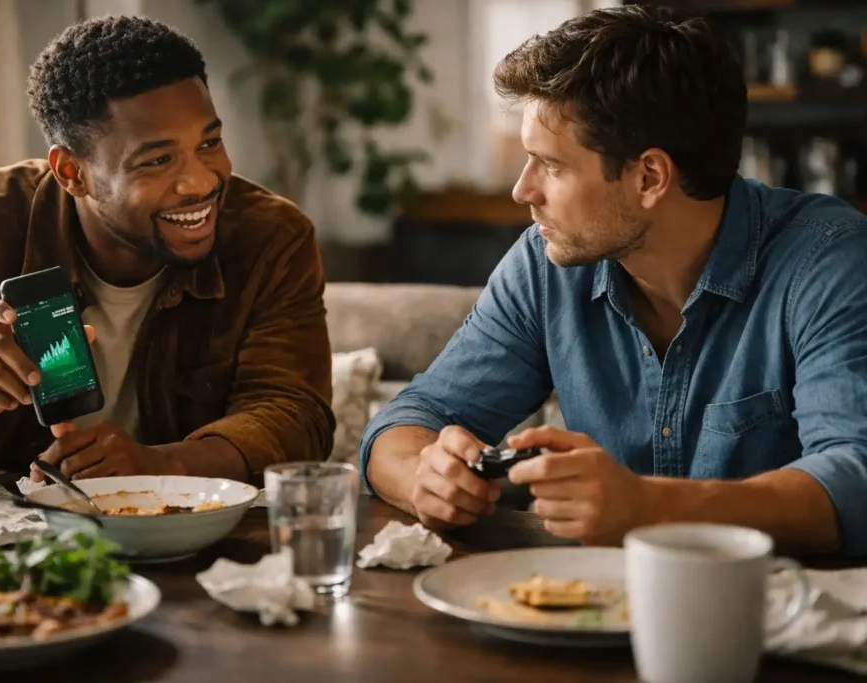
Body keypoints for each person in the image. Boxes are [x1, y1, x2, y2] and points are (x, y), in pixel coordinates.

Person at [360, 5, 867, 557]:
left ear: (649, 176)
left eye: (550, 165)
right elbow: (411, 420)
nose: (522, 191)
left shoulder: (828, 261)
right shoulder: (544, 264)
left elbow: (854, 481)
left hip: (775, 620)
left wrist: (648, 507)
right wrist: (423, 477)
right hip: (586, 611)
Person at [0, 15, 334, 484]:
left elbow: (295, 415)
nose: (201, 181)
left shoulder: (271, 236)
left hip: (194, 536)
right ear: (72, 173)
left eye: (209, 143)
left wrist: (163, 466)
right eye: (158, 159)